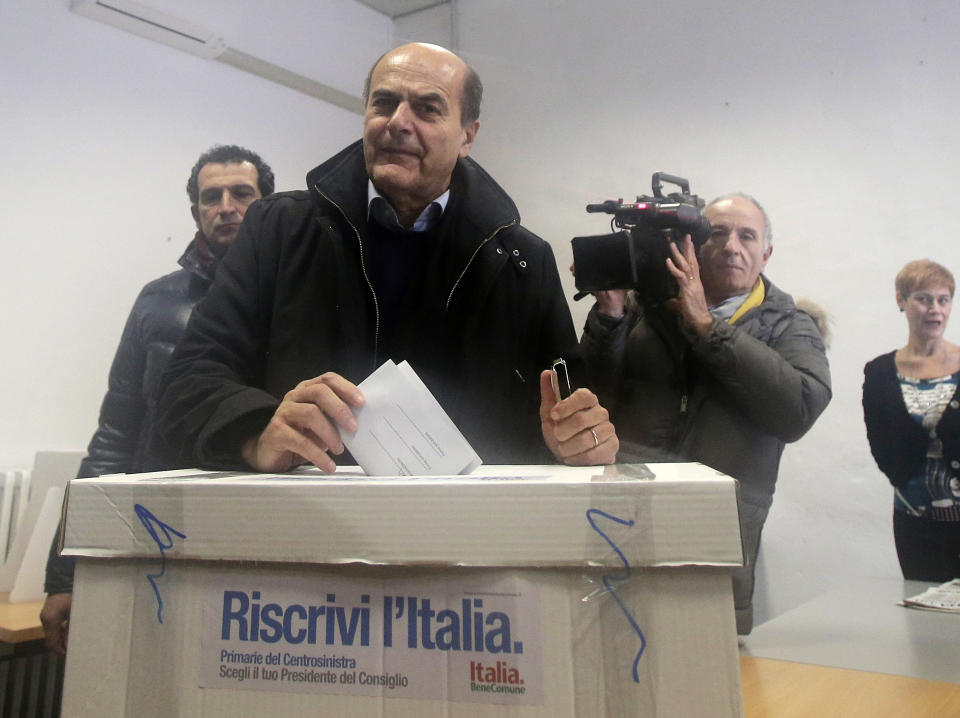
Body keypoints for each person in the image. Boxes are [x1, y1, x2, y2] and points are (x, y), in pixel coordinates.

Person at [156, 43, 618, 481]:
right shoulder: (276, 230)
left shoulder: (522, 260)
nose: (398, 122)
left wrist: (580, 442)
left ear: (467, 136)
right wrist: (256, 431)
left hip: (466, 537)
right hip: (307, 530)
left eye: (427, 108)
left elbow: (570, 414)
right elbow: (188, 380)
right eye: (384, 102)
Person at [40, 145, 275, 655]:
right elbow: (114, 436)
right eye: (211, 197)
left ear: (267, 207)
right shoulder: (156, 301)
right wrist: (64, 573)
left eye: (242, 193)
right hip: (156, 531)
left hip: (256, 540)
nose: (226, 206)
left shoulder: (293, 300)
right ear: (196, 212)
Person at [580, 193, 832, 634]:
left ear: (765, 253)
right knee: (610, 649)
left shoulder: (791, 325)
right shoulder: (644, 309)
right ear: (693, 244)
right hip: (624, 518)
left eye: (747, 236)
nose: (732, 246)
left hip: (718, 527)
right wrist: (611, 317)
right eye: (717, 233)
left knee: (705, 666)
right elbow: (594, 400)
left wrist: (707, 327)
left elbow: (797, 410)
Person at [863, 259, 960, 581]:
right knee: (924, 613)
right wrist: (904, 481)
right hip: (914, 521)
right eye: (924, 298)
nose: (935, 309)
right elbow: (879, 443)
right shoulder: (879, 372)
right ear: (901, 301)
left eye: (943, 300)